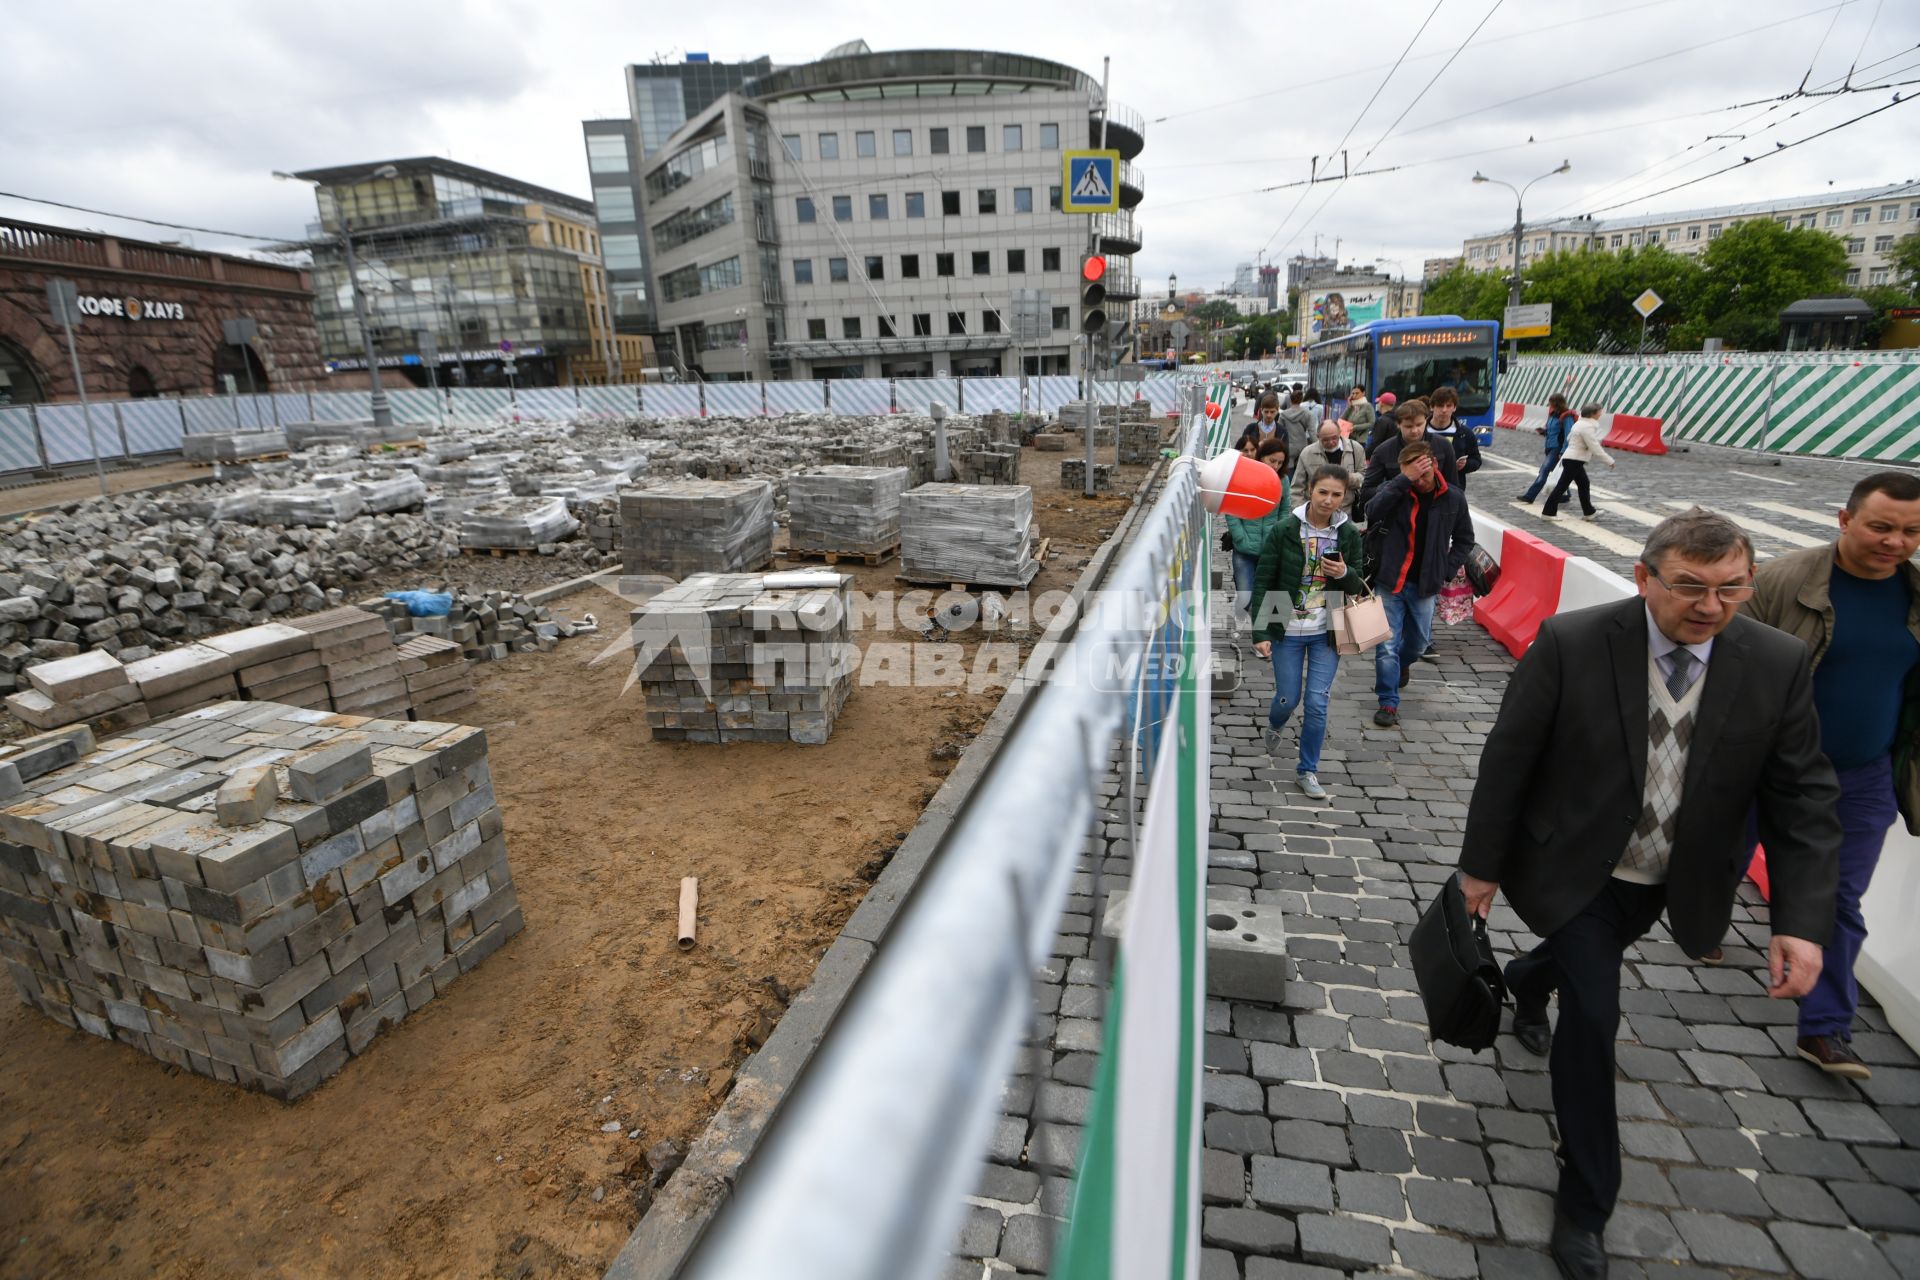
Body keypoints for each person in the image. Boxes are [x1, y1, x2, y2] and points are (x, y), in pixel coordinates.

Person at [1457, 508, 1841, 1280]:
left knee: (1567, 970)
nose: (1710, 606)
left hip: (1675, 878)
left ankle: (1528, 982)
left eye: (1732, 588)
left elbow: (1803, 799)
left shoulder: (1777, 663)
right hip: (1570, 869)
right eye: (1691, 587)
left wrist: (1800, 922)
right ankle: (1587, 1200)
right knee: (1595, 1019)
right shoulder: (1573, 642)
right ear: (1644, 578)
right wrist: (1479, 872)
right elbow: (1509, 761)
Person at [1740, 470, 1920, 1078]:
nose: (1896, 542)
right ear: (1845, 521)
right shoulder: (1783, 580)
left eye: (1913, 531)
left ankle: (1824, 1030)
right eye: (1882, 526)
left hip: (1863, 777)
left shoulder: (1917, 597)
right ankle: (1702, 921)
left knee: (1840, 901)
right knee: (1707, 866)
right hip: (1761, 768)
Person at [1249, 465, 1368, 800]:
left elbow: (1358, 584)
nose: (1328, 500)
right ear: (1310, 491)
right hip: (1287, 628)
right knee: (1288, 698)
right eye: (1323, 492)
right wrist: (1261, 631)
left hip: (1326, 630)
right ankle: (1276, 723)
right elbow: (1265, 582)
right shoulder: (1284, 530)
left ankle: (1307, 770)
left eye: (1336, 495)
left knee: (1317, 702)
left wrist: (1344, 572)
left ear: (1345, 497)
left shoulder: (1348, 534)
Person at [1363, 439, 1473, 727]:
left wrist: (1445, 570)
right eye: (1414, 474)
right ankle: (1387, 702)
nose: (1420, 481)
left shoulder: (1454, 498)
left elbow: (1465, 539)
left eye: (1424, 473)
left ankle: (1402, 666)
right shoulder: (1398, 490)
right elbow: (1371, 510)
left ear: (1435, 465)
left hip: (1426, 584)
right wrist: (1403, 481)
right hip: (1390, 580)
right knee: (1386, 646)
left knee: (1418, 643)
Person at [1226, 437, 1292, 622]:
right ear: (1262, 457)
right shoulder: (1244, 476)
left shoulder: (1283, 480)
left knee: (1266, 597)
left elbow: (1284, 510)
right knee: (1246, 597)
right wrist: (1240, 538)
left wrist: (1278, 535)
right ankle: (1241, 609)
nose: (1276, 466)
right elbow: (1231, 510)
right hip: (1244, 549)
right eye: (1272, 461)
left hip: (1270, 549)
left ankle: (1261, 640)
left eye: (1280, 462)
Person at [1358, 400, 1460, 511]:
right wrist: (1395, 484)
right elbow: (1366, 492)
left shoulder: (1444, 445)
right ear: (1398, 424)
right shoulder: (1382, 451)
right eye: (1408, 426)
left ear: (1426, 420)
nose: (1415, 431)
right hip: (1398, 514)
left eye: (1419, 425)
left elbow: (1454, 486)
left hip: (1435, 511)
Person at [1542, 403, 1615, 520]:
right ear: (1593, 414)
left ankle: (1589, 512)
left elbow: (1569, 438)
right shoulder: (1587, 427)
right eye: (1599, 412)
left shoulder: (1580, 424)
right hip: (1574, 460)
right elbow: (1594, 446)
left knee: (1584, 484)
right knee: (1562, 486)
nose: (1601, 414)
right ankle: (1548, 512)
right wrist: (1609, 460)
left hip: (1572, 458)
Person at [1294, 419, 1365, 519]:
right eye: (1325, 440)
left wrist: (1347, 478)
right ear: (1318, 437)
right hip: (1315, 512)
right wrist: (1300, 512)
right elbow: (1297, 487)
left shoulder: (1355, 449)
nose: (1331, 442)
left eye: (1334, 438)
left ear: (1340, 433)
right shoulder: (1307, 453)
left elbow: (1364, 475)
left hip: (1345, 510)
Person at [1520, 393, 1575, 504]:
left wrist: (1563, 451)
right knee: (1558, 472)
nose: (1549, 405)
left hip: (1557, 448)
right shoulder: (1553, 414)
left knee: (1544, 471)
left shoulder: (1566, 416)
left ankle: (1530, 496)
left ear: (1556, 403)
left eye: (1551, 402)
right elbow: (1553, 431)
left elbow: (1569, 434)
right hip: (1549, 447)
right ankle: (1564, 495)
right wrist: (1544, 432)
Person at [1424, 387, 1482, 488]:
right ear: (1432, 407)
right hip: (1423, 488)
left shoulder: (1465, 433)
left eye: (1448, 406)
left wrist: (1465, 465)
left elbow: (1476, 460)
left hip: (1453, 488)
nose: (1444, 410)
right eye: (1440, 406)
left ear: (1454, 408)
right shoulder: (1420, 431)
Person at [1278, 391, 1317, 459]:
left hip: (1289, 446)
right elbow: (1312, 432)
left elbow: (1279, 431)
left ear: (1290, 399)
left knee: (1289, 468)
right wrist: (1317, 446)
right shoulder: (1308, 414)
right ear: (1302, 399)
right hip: (1303, 447)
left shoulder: (1283, 414)